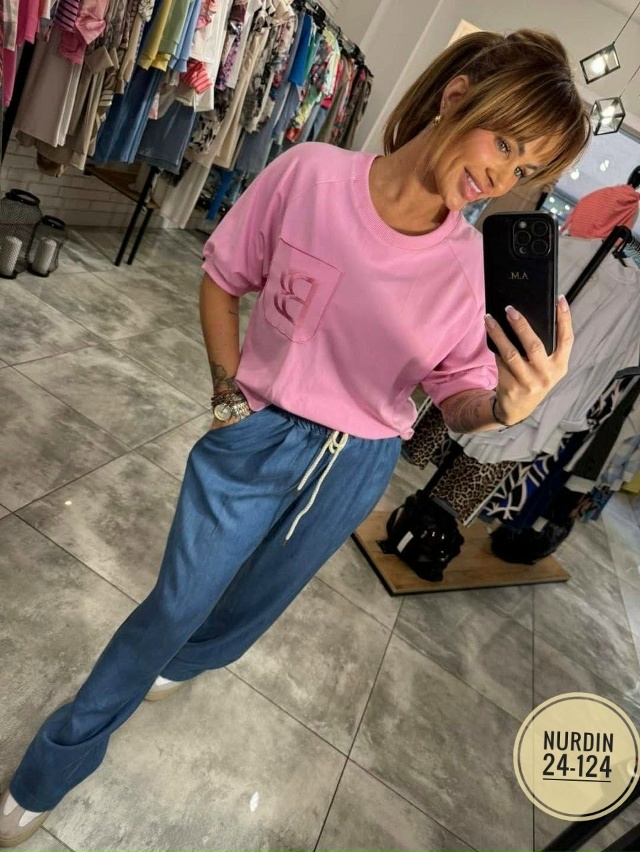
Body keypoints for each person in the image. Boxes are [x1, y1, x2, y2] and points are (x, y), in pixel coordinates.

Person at [0, 27, 590, 847]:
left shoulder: (468, 267)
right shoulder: (311, 175)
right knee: (175, 603)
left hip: (359, 463)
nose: (502, 176)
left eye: (526, 171)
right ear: (458, 96)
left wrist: (503, 409)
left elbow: (455, 400)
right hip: (258, 435)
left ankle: (192, 660)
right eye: (505, 144)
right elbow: (222, 279)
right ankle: (54, 765)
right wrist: (226, 400)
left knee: (252, 609)